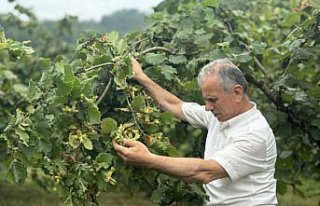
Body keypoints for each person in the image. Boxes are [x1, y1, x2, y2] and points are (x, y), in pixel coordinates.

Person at [113, 58, 278, 205]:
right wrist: (141, 77)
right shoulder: (219, 115)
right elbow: (176, 106)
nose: (207, 107)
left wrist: (149, 159)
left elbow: (204, 171)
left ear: (237, 92)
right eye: (206, 100)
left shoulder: (254, 134)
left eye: (212, 100)